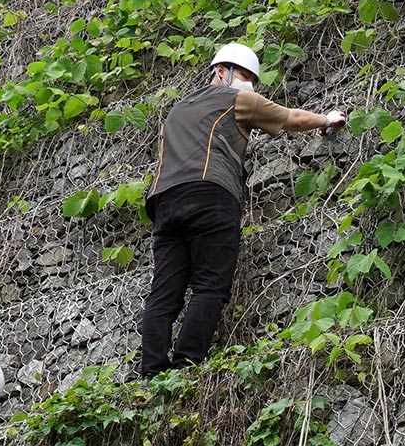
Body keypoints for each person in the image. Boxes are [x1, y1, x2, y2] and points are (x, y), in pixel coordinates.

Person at [138, 43, 348, 378]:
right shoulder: (238, 99)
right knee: (209, 285)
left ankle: (151, 374)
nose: (249, 82)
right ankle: (186, 366)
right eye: (244, 74)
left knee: (164, 292)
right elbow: (291, 118)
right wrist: (326, 119)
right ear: (221, 70)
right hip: (210, 194)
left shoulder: (176, 111)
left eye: (253, 77)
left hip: (164, 203)